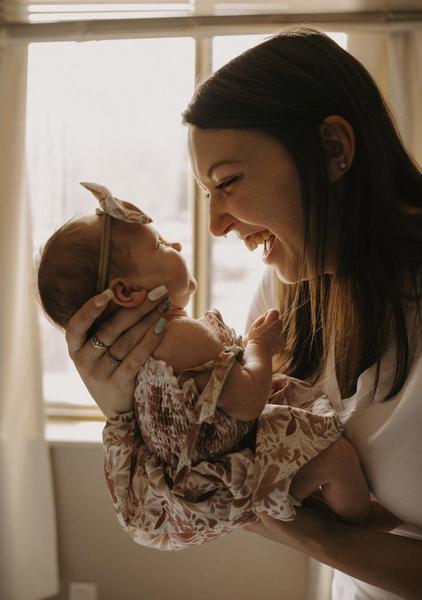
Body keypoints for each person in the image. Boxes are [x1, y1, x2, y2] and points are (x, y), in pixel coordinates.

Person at [63, 28, 422, 598]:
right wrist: (125, 411)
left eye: (229, 183)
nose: (215, 226)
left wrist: (317, 538)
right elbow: (193, 497)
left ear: (333, 150)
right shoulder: (290, 293)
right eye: (209, 193)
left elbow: (240, 496)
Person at [37, 181, 371, 550]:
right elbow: (246, 401)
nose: (177, 245)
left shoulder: (143, 358)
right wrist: (261, 345)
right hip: (225, 471)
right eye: (161, 245)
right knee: (336, 457)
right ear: (127, 292)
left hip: (209, 473)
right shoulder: (181, 337)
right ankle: (361, 521)